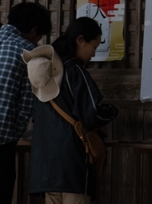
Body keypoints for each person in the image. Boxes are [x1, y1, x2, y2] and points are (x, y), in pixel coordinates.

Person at [28, 17, 118, 204]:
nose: (93, 54)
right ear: (80, 40)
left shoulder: (45, 74)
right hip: (72, 163)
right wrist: (112, 111)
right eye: (93, 47)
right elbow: (92, 115)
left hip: (46, 166)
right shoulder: (75, 72)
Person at [0, 1, 52, 204]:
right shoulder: (29, 54)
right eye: (38, 36)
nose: (37, 41)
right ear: (33, 30)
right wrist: (11, 135)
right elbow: (25, 107)